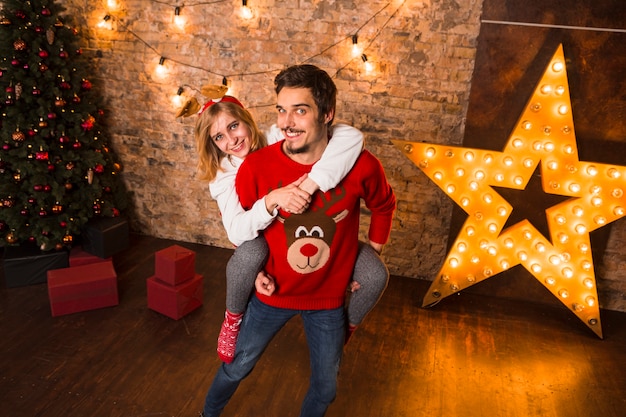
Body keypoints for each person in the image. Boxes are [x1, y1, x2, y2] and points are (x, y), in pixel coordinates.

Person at [200, 64, 396, 417]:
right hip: (273, 294)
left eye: (300, 110)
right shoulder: (251, 168)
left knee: (326, 388)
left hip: (328, 301)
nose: (288, 121)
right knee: (237, 365)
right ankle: (207, 412)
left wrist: (368, 253)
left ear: (327, 115)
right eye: (281, 110)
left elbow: (383, 201)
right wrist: (255, 258)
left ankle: (344, 327)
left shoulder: (359, 162)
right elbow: (241, 231)